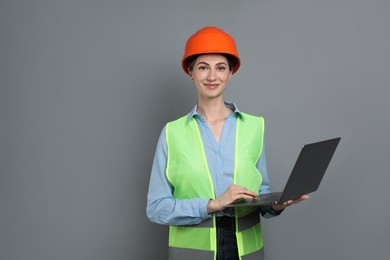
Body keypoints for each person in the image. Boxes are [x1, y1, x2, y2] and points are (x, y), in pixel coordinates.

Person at [146, 26, 309, 260]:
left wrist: (275, 205)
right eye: (203, 67)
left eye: (220, 68)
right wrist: (212, 204)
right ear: (190, 72)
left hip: (246, 252)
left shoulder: (254, 127)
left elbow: (260, 194)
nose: (212, 77)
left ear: (230, 73)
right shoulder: (172, 133)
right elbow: (157, 208)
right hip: (193, 254)